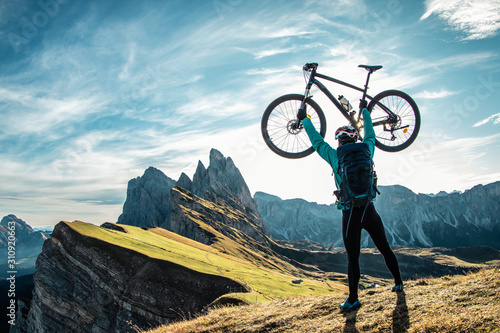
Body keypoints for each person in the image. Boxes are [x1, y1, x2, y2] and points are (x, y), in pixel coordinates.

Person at [298, 101, 404, 310]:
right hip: (369, 209)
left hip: (350, 213)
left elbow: (317, 142)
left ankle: (353, 299)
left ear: (338, 141)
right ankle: (399, 283)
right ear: (354, 138)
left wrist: (305, 119)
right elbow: (371, 134)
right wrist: (365, 110)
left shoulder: (336, 157)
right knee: (384, 248)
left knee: (353, 258)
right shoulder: (366, 150)